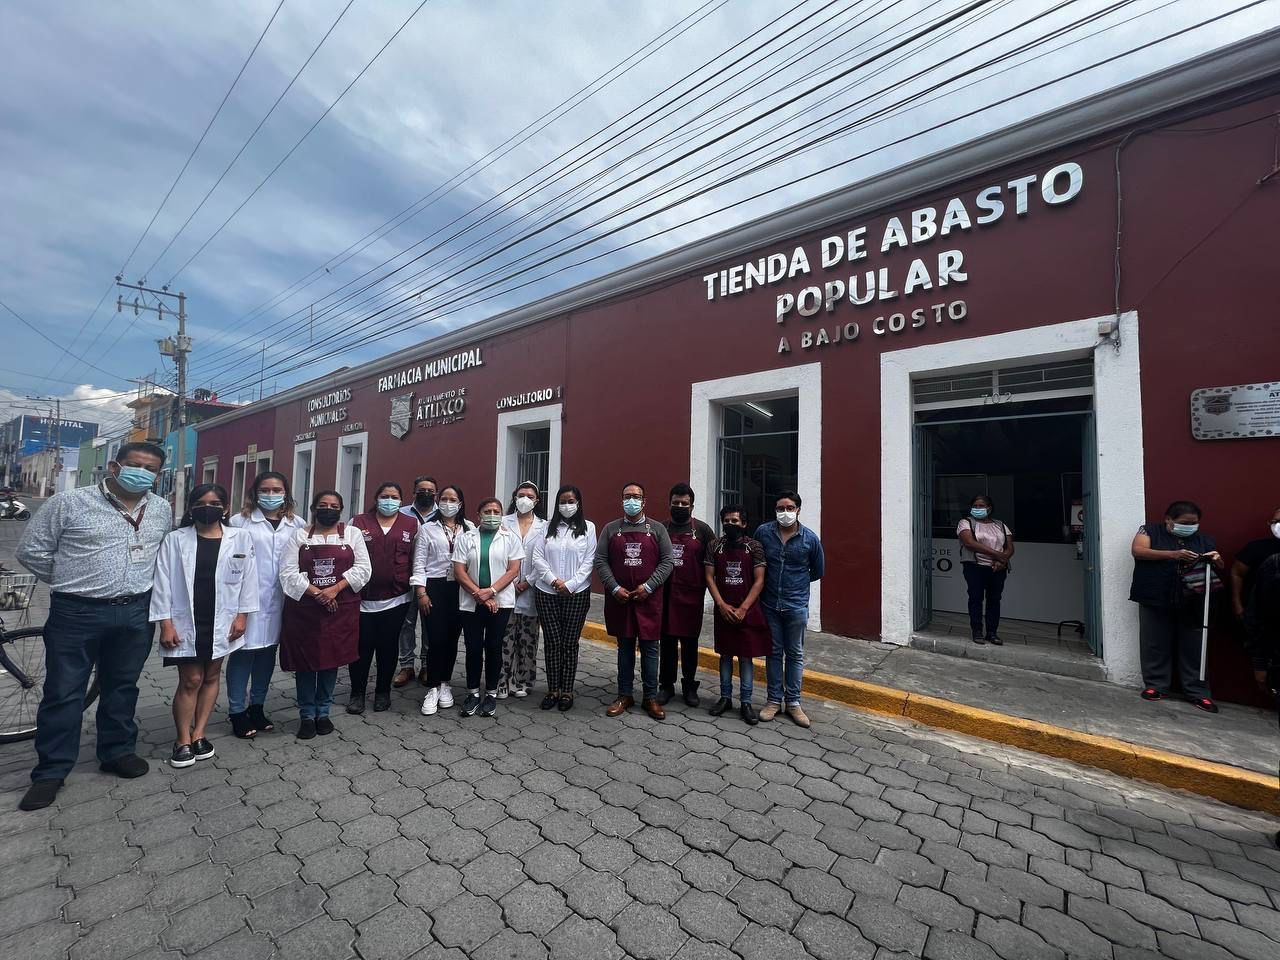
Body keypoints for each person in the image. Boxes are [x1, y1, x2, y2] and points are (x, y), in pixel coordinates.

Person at [15, 442, 173, 810]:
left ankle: (116, 751)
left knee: (122, 686)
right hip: (76, 613)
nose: (142, 473)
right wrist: (75, 581)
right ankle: (51, 770)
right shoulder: (69, 503)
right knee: (64, 692)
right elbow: (31, 551)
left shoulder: (162, 509)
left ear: (158, 475)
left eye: (150, 468)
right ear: (115, 467)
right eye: (135, 465)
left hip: (135, 612)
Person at [151, 485, 258, 767]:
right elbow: (161, 584)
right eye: (200, 502)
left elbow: (249, 580)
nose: (207, 507)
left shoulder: (240, 538)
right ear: (190, 507)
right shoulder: (175, 540)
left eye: (214, 502)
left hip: (222, 618)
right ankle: (181, 740)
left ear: (224, 508)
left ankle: (199, 734)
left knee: (211, 676)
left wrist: (242, 616)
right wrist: (165, 624)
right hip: (187, 618)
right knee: (191, 680)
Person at [278, 490, 371, 738]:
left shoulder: (352, 534)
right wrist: (317, 593)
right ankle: (307, 715)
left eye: (333, 505)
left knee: (331, 661)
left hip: (340, 609)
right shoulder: (299, 536)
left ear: (341, 510)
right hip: (305, 611)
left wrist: (334, 589)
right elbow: (287, 573)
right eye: (323, 505)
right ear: (313, 508)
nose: (328, 509)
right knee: (306, 663)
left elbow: (363, 569)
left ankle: (324, 711)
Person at [226, 471, 305, 738]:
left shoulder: (297, 524)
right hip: (245, 602)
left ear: (286, 494)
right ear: (255, 492)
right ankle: (237, 711)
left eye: (277, 490)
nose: (271, 495)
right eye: (266, 490)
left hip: (281, 602)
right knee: (242, 655)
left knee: (267, 655)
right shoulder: (239, 522)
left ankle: (257, 706)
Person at [1129, 500, 1224, 712]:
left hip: (1194, 600)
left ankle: (1198, 691)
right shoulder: (1149, 530)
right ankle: (1156, 685)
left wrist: (1217, 559)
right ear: (1168, 520)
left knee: (1195, 646)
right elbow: (1139, 551)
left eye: (1194, 523)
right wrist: (1173, 555)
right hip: (1156, 595)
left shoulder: (1204, 540)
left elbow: (1218, 566)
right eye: (1184, 522)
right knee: (1154, 642)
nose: (1190, 526)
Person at [595, 482, 674, 720]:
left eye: (636, 496)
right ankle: (624, 695)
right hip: (620, 600)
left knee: (651, 649)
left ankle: (650, 697)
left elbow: (668, 561)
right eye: (627, 496)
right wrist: (614, 587)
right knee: (625, 648)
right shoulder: (610, 529)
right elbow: (600, 560)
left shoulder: (658, 529)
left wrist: (649, 586)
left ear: (644, 501)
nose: (632, 500)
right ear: (622, 500)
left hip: (648, 600)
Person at [755, 490, 824, 728]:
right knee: (773, 652)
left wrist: (796, 587)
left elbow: (817, 571)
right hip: (770, 603)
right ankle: (773, 700)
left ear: (798, 510)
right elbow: (757, 562)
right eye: (780, 508)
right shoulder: (764, 532)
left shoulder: (810, 539)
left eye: (789, 508)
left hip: (796, 605)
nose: (785, 512)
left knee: (795, 653)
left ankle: (793, 703)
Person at [349, 482, 418, 714]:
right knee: (362, 647)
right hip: (363, 599)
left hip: (397, 598)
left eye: (394, 496)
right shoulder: (358, 523)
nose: (389, 500)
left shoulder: (411, 524)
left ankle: (382, 692)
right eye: (385, 496)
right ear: (376, 498)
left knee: (388, 647)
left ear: (401, 500)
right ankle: (357, 693)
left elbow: (415, 558)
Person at [452, 498, 524, 717]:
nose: (492, 515)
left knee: (493, 647)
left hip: (500, 602)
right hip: (471, 601)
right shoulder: (466, 537)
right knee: (473, 647)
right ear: (478, 514)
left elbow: (513, 571)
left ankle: (491, 693)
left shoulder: (510, 538)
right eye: (487, 511)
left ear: (502, 515)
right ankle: (473, 692)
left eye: (496, 511)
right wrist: (479, 594)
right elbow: (459, 571)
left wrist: (491, 591)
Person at [530, 484, 597, 712]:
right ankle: (552, 689)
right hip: (547, 593)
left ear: (578, 504)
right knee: (552, 642)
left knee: (569, 643)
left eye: (571, 501)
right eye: (563, 501)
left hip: (577, 594)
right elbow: (537, 557)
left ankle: (567, 690)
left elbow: (589, 561)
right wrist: (553, 581)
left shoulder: (589, 528)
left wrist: (570, 584)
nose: (566, 505)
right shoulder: (547, 528)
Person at [705, 505, 770, 725]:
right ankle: (725, 698)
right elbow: (709, 577)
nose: (730, 525)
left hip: (747, 611)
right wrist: (721, 604)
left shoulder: (755, 547)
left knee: (745, 657)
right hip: (723, 610)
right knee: (724, 655)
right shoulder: (715, 546)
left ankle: (746, 702)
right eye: (727, 521)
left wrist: (743, 608)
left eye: (735, 521)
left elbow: (760, 580)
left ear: (744, 524)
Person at [411, 485, 473, 715]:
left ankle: (446, 684)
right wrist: (421, 592)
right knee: (435, 640)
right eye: (444, 498)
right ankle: (433, 687)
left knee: (452, 639)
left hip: (461, 588)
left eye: (453, 499)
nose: (448, 503)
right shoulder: (427, 529)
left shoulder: (470, 528)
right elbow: (418, 563)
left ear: (461, 503)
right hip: (434, 588)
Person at [659, 482, 715, 708]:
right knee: (667, 643)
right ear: (669, 504)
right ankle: (666, 685)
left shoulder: (702, 530)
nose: (680, 506)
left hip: (692, 597)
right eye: (676, 503)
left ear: (692, 506)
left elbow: (713, 562)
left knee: (690, 643)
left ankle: (690, 686)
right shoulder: (661, 529)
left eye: (685, 503)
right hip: (665, 595)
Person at [498, 482, 547, 699]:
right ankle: (501, 681)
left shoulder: (544, 527)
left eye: (530, 496)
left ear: (537, 501)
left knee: (528, 640)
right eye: (521, 495)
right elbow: (497, 555)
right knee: (504, 638)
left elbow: (543, 559)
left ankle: (524, 681)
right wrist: (507, 583)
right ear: (514, 497)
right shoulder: (502, 522)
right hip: (504, 589)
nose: (525, 499)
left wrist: (527, 582)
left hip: (531, 591)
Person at [394, 475, 438, 687]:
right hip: (404, 577)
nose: (426, 494)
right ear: (414, 492)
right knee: (406, 622)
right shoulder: (401, 513)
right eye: (422, 490)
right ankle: (406, 665)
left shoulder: (444, 513)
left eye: (430, 490)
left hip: (433, 579)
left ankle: (427, 665)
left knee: (430, 623)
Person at [956, 494, 1015, 645]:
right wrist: (999, 556)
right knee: (975, 599)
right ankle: (977, 631)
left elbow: (1010, 547)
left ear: (989, 508)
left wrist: (1003, 560)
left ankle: (992, 633)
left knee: (994, 600)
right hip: (975, 567)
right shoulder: (966, 522)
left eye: (981, 506)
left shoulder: (1000, 525)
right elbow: (970, 543)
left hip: (997, 569)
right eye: (975, 506)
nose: (977, 509)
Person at [1230, 506, 1280, 621]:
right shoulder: (1256, 547)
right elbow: (1237, 573)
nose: (1278, 525)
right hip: (1259, 612)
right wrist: (1236, 603)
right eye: (1275, 521)